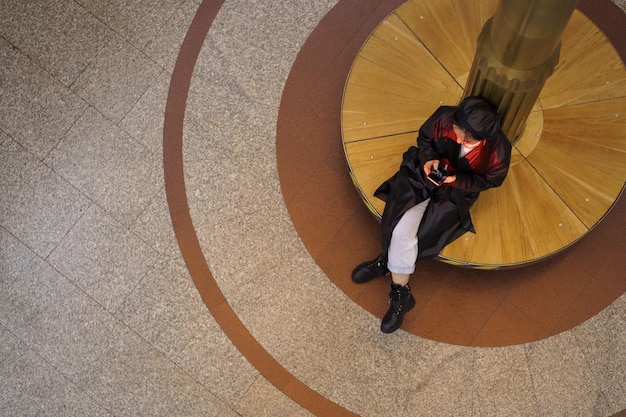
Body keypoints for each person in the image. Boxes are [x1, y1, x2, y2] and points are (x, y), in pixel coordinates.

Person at [352, 96, 512, 333]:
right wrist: (429, 159)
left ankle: (388, 265)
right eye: (457, 132)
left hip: (455, 192)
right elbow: (424, 138)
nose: (458, 139)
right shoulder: (444, 117)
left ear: (484, 138)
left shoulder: (498, 149)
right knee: (398, 224)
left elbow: (489, 181)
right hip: (421, 175)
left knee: (419, 233)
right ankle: (399, 291)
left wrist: (457, 179)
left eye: (467, 140)